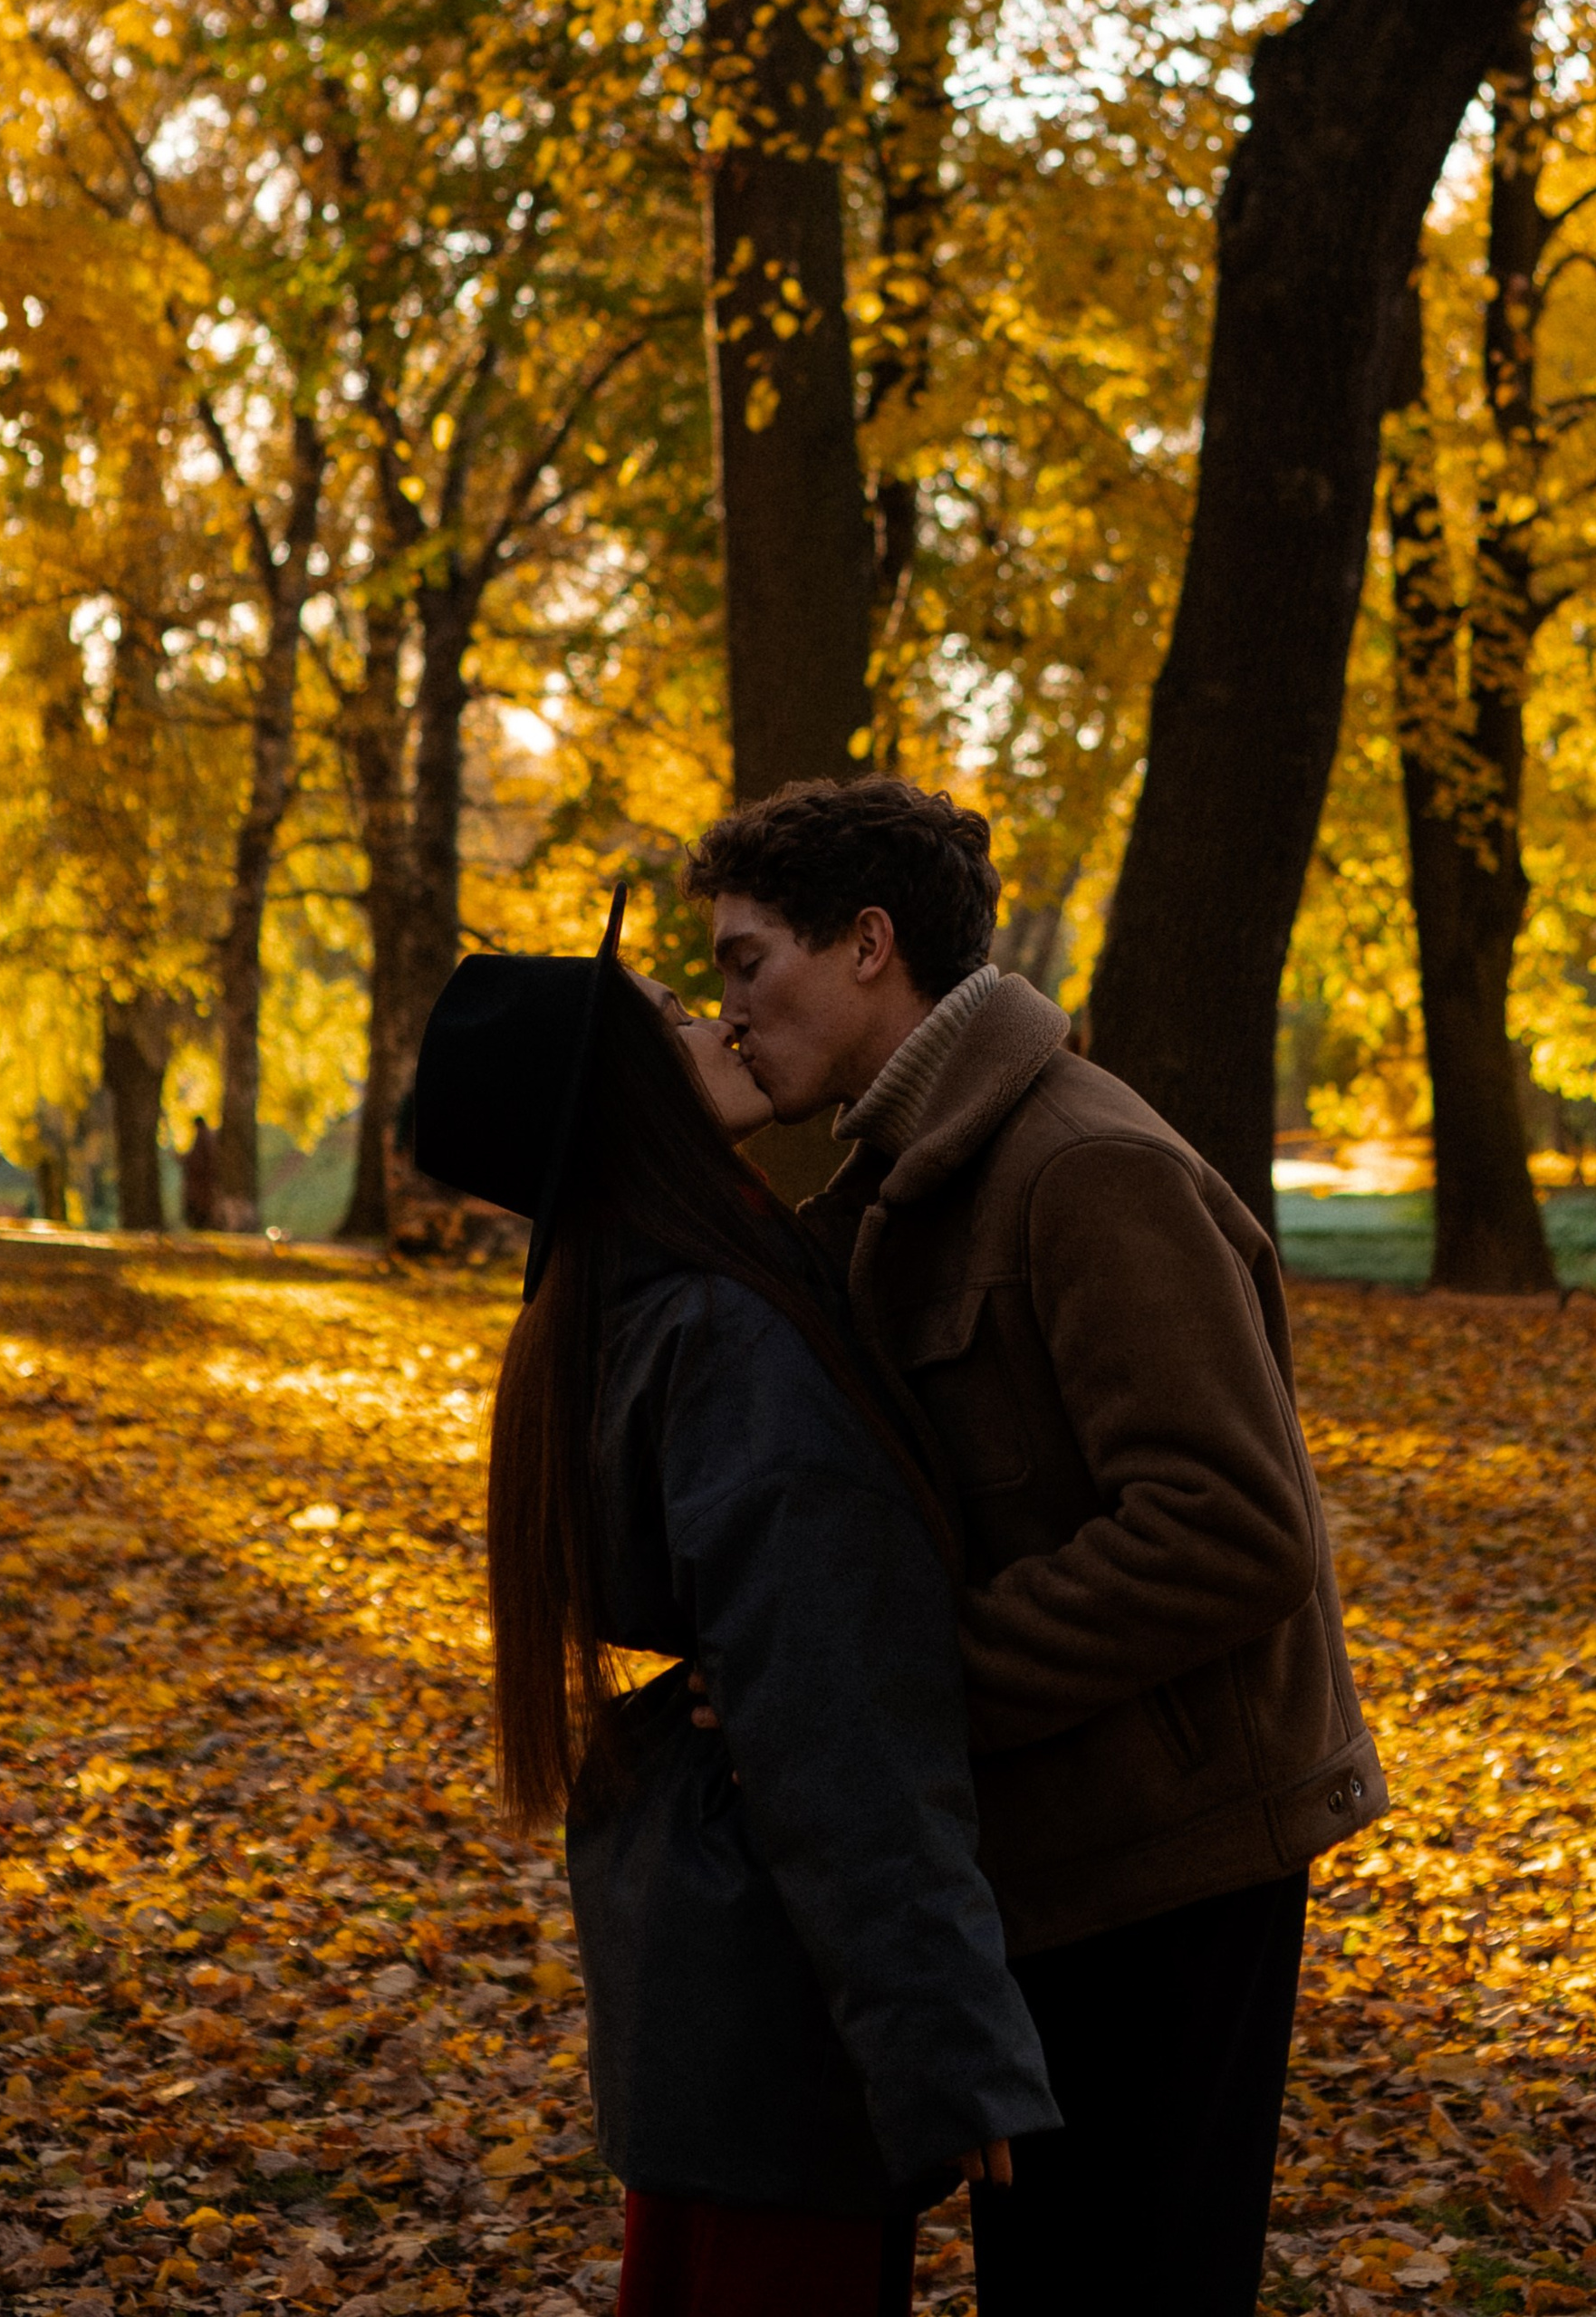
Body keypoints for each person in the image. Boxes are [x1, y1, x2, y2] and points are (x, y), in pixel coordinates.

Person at [684, 778, 1389, 2317]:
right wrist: (698, 1164)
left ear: (868, 945)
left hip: (1175, 1863)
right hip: (1057, 1846)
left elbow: (1232, 1528)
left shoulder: (1081, 1168)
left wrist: (900, 1687)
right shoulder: (899, 1177)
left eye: (747, 965)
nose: (725, 1015)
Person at [411, 889, 1056, 2317]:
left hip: (713, 1970)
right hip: (771, 1989)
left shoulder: (630, 1302)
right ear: (623, 1092)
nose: (710, 1017)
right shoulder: (722, 1332)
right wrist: (950, 2054)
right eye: (663, 1014)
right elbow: (839, 1725)